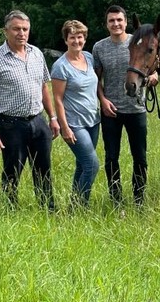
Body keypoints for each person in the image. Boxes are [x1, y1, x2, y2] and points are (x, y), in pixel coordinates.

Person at [0, 10, 60, 210]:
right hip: (11, 124)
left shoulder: (36, 54)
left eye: (25, 29)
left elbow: (43, 87)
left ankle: (48, 210)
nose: (21, 33)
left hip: (38, 121)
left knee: (44, 169)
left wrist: (53, 117)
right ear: (6, 31)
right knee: (12, 170)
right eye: (16, 29)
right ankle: (9, 210)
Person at [92, 5, 158, 206]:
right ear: (106, 24)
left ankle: (139, 200)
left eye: (119, 20)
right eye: (111, 20)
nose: (116, 24)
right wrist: (102, 101)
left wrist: (154, 76)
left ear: (126, 22)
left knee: (140, 157)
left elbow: (153, 65)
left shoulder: (137, 42)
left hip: (136, 109)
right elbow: (95, 79)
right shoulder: (99, 48)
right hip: (111, 111)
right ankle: (116, 200)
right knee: (112, 158)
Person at [51, 20, 101, 208]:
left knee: (82, 164)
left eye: (80, 37)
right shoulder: (61, 66)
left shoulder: (88, 57)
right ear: (66, 40)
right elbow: (57, 98)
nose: (76, 41)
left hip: (93, 121)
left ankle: (75, 202)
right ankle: (79, 206)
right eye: (72, 37)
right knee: (92, 165)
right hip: (74, 124)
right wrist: (65, 127)